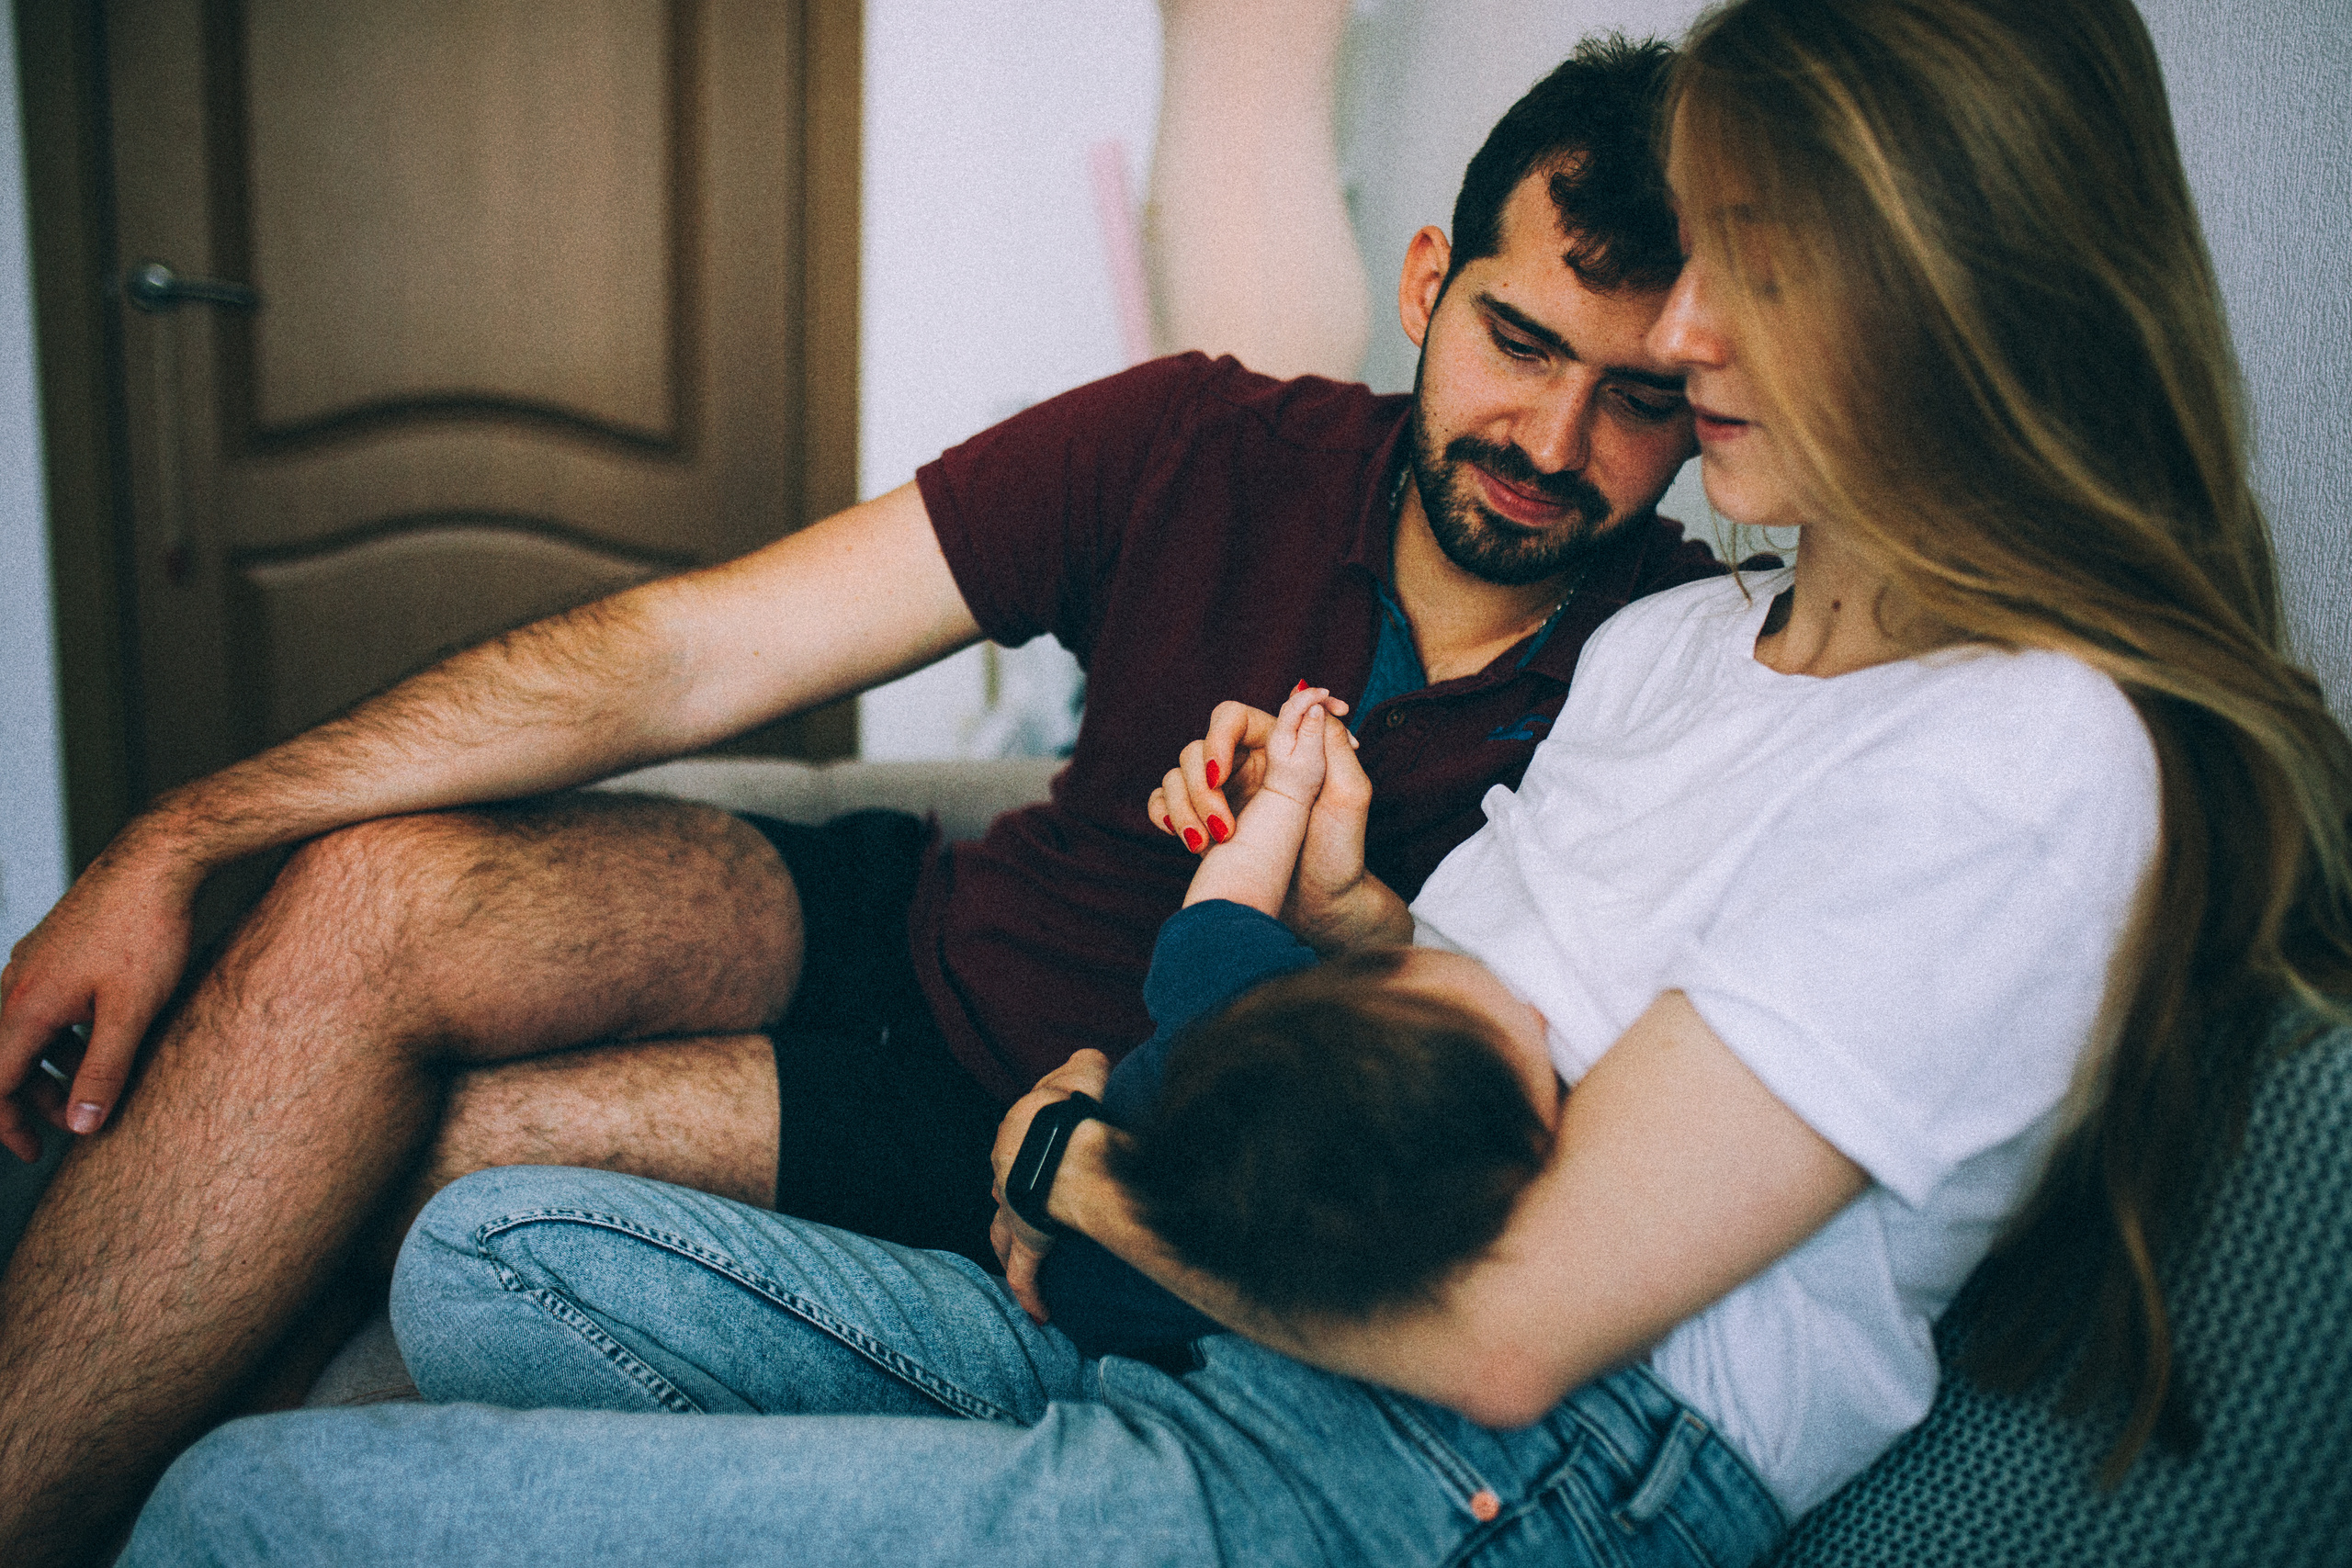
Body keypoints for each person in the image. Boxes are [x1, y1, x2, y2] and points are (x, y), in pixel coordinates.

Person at [119, 0, 2352, 1561]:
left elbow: (1507, 1320)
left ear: (1944, 293)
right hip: (1227, 1273)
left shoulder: (2026, 748)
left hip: (1443, 1462)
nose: (1661, 361)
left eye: (1736, 287)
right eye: (1544, 330)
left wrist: (1075, 1152)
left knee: (244, 1507)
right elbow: (1483, 1002)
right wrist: (1346, 911)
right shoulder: (1677, 642)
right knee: (493, 1247)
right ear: (1423, 287)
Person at [0, 38, 1717, 1565]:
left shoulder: (1682, 663)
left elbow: (1542, 1130)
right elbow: (684, 656)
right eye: (1518, 340)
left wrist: (1333, 917)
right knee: (370, 897)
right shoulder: (1206, 438)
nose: (1554, 439)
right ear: (1428, 280)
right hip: (907, 920)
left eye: (1639, 399)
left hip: (1018, 1144)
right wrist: (185, 833)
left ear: (1710, 397)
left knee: (419, 1160)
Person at [1042, 682, 1566, 1357]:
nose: (1542, 1015)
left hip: (1064, 1276)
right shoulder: (1371, 1242)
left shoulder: (1242, 998)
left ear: (1378, 978)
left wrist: (1289, 789)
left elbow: (1229, 894)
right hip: (1171, 1343)